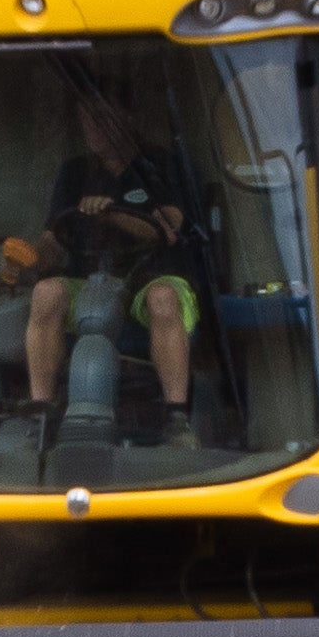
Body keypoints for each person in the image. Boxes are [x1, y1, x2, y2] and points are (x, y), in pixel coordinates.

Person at [25, 71, 202, 443]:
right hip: (89, 281)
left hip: (150, 276)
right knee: (45, 293)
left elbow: (168, 228)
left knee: (163, 299)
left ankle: (177, 419)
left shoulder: (160, 164)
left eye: (101, 116)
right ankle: (40, 414)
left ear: (129, 117)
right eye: (85, 117)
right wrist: (29, 257)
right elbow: (52, 240)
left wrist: (112, 213)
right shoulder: (74, 172)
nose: (91, 125)